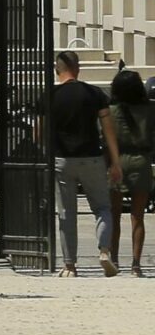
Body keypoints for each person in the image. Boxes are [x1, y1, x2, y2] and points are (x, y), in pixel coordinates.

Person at [42, 50, 122, 277]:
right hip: (92, 157)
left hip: (62, 159)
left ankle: (69, 265)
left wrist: (44, 152)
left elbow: (39, 131)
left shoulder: (50, 96)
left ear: (57, 70)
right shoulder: (95, 94)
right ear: (78, 69)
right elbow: (108, 130)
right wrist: (115, 161)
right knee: (102, 208)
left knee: (66, 213)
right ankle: (104, 250)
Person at [110, 68, 154, 277]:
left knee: (114, 214)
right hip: (141, 160)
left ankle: (114, 259)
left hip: (116, 160)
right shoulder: (150, 109)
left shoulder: (111, 110)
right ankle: (136, 265)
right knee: (138, 216)